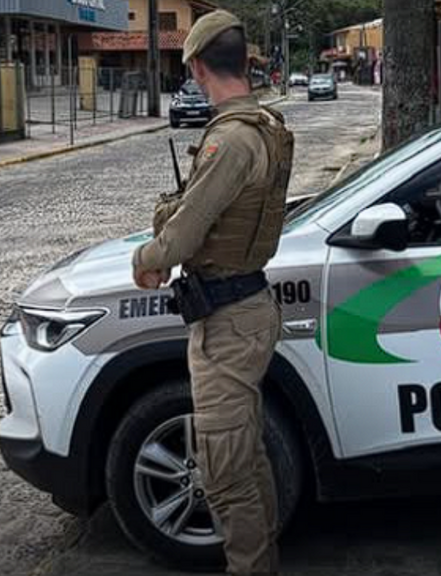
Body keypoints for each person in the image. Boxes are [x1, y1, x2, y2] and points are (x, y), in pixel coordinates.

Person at [131, 10, 294, 576]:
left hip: (227, 319)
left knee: (224, 470)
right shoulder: (265, 126)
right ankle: (263, 558)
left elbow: (184, 232)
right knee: (245, 456)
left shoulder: (230, 139)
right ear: (244, 60)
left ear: (198, 67)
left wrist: (146, 260)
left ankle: (252, 565)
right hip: (244, 307)